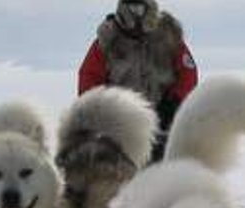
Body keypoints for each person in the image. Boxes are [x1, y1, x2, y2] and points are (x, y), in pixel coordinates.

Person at [77, 0, 198, 161]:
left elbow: (188, 74)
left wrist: (174, 102)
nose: (136, 12)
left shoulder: (168, 37)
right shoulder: (108, 40)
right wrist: (99, 112)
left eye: (140, 7)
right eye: (132, 7)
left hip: (163, 122)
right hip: (119, 126)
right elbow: (88, 78)